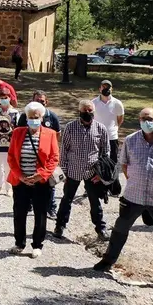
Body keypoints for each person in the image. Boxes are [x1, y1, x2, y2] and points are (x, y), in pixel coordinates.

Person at [94, 108, 153, 288]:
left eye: (150, 119)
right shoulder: (130, 140)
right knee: (120, 229)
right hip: (133, 197)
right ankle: (108, 261)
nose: (146, 121)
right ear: (139, 120)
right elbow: (124, 165)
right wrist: (136, 180)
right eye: (143, 118)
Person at [7, 101, 59, 258]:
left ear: (42, 117)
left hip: (40, 182)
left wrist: (40, 175)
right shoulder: (17, 132)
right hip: (21, 181)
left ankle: (37, 244)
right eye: (30, 117)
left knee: (40, 213)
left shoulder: (50, 134)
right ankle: (19, 243)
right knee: (19, 212)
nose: (33, 119)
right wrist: (21, 176)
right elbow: (11, 157)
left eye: (36, 117)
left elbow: (54, 158)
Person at [54, 99, 110, 241]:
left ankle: (101, 228)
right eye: (85, 110)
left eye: (90, 110)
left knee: (95, 202)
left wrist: (101, 174)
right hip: (73, 170)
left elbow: (106, 153)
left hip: (92, 173)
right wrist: (64, 171)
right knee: (67, 199)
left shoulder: (101, 128)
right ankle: (59, 226)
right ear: (79, 111)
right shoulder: (70, 127)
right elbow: (64, 150)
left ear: (94, 111)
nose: (87, 113)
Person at [17, 91, 62, 218]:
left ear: (46, 102)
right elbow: (19, 134)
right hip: (28, 156)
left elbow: (57, 134)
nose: (39, 103)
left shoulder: (51, 116)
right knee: (28, 181)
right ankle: (29, 204)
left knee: (50, 184)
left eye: (42, 101)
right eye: (36, 100)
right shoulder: (24, 116)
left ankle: (51, 207)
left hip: (45, 159)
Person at [0, 91, 19, 195]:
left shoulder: (15, 113)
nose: (3, 99)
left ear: (10, 98)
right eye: (1, 97)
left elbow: (18, 129)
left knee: (8, 167)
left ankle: (8, 187)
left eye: (5, 97)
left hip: (10, 144)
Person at [93, 80, 125, 162]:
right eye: (104, 87)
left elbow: (120, 119)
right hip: (96, 137)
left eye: (108, 87)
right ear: (100, 89)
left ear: (112, 89)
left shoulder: (117, 103)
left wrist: (114, 129)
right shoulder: (93, 103)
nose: (106, 89)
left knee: (112, 161)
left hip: (112, 137)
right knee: (96, 161)